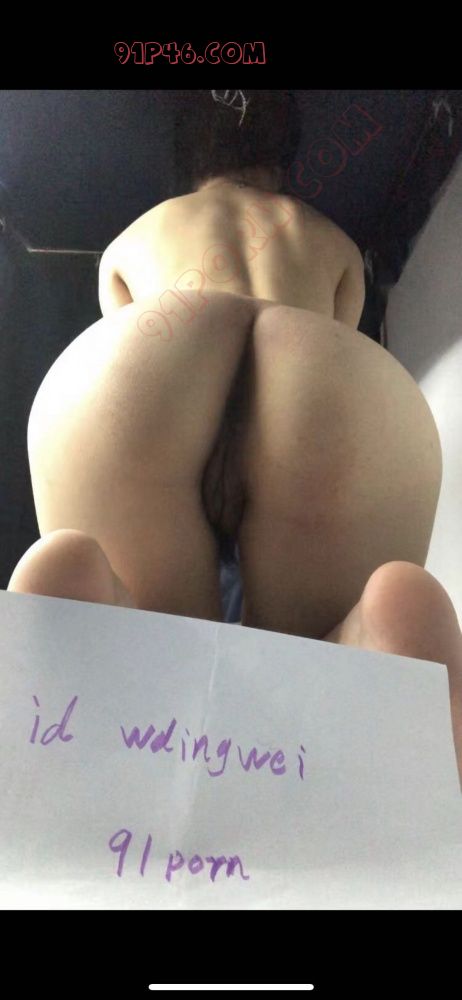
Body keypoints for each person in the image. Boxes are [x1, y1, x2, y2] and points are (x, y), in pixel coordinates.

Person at [7, 90, 462, 777]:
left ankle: (102, 609)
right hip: (320, 365)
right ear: (280, 160)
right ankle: (362, 637)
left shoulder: (141, 233)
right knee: (308, 663)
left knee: (149, 652)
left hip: (139, 360)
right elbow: (333, 340)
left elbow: (125, 336)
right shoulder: (326, 236)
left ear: (190, 161)